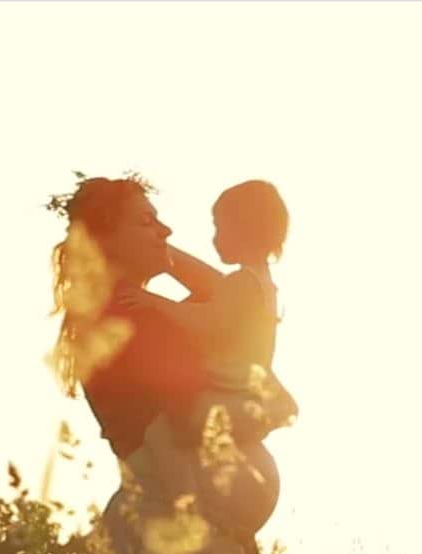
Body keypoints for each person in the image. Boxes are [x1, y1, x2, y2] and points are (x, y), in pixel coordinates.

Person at [49, 175, 295, 554]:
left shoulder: (140, 313)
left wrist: (162, 258)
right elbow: (161, 434)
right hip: (177, 531)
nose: (166, 228)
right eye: (146, 221)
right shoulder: (129, 323)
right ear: (107, 241)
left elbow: (236, 304)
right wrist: (207, 523)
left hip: (192, 527)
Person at [112, 181, 291, 521]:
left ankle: (186, 505)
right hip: (245, 390)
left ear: (246, 231)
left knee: (160, 432)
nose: (215, 238)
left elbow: (209, 323)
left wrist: (155, 302)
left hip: (229, 391)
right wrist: (165, 257)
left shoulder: (241, 283)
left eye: (221, 228)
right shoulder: (263, 284)